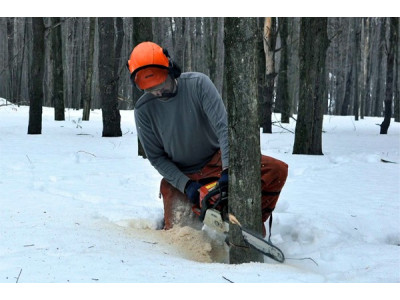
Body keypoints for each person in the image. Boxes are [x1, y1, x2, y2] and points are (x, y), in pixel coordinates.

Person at [127, 41, 288, 236]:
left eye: (162, 85)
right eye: (151, 89)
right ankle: (199, 212)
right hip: (182, 173)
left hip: (216, 160)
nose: (159, 92)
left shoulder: (198, 85)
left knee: (275, 170)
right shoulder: (143, 110)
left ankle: (247, 223)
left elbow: (224, 128)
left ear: (171, 70)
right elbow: (156, 158)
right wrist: (187, 186)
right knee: (179, 237)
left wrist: (228, 170)